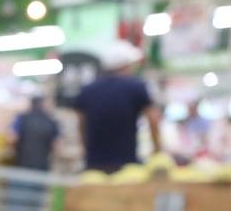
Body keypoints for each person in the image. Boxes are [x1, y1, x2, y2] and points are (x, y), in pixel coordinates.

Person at [74, 40, 162, 173]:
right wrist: (157, 152)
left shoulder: (87, 90)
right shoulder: (136, 87)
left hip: (94, 166)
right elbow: (153, 120)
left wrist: (86, 150)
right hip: (128, 166)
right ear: (126, 65)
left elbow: (81, 125)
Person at [11, 95, 60, 172]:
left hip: (22, 163)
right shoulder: (52, 122)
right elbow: (57, 147)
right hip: (42, 165)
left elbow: (12, 138)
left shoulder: (22, 118)